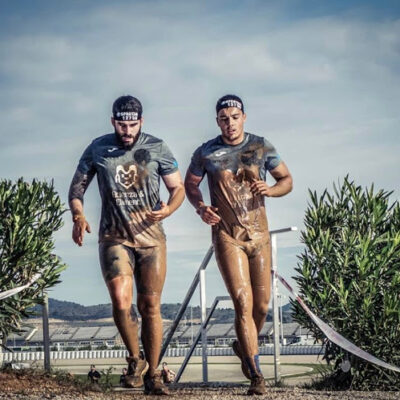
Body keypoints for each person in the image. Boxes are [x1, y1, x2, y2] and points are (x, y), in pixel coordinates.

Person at [69, 95, 185, 395]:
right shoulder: (98, 148)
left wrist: (168, 209)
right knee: (121, 300)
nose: (127, 132)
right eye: (122, 125)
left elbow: (178, 189)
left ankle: (155, 374)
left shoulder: (157, 147)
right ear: (113, 122)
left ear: (141, 122)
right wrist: (78, 216)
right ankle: (136, 360)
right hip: (114, 236)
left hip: (151, 239)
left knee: (150, 306)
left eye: (133, 125)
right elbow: (77, 189)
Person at [184, 94, 292, 395]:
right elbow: (190, 185)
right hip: (227, 235)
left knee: (261, 305)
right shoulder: (206, 152)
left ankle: (243, 345)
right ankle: (256, 375)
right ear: (217, 121)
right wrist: (201, 207)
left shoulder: (260, 146)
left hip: (259, 235)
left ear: (243, 117)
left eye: (234, 117)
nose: (229, 123)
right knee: (242, 302)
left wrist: (270, 190)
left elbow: (286, 179)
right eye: (223, 118)